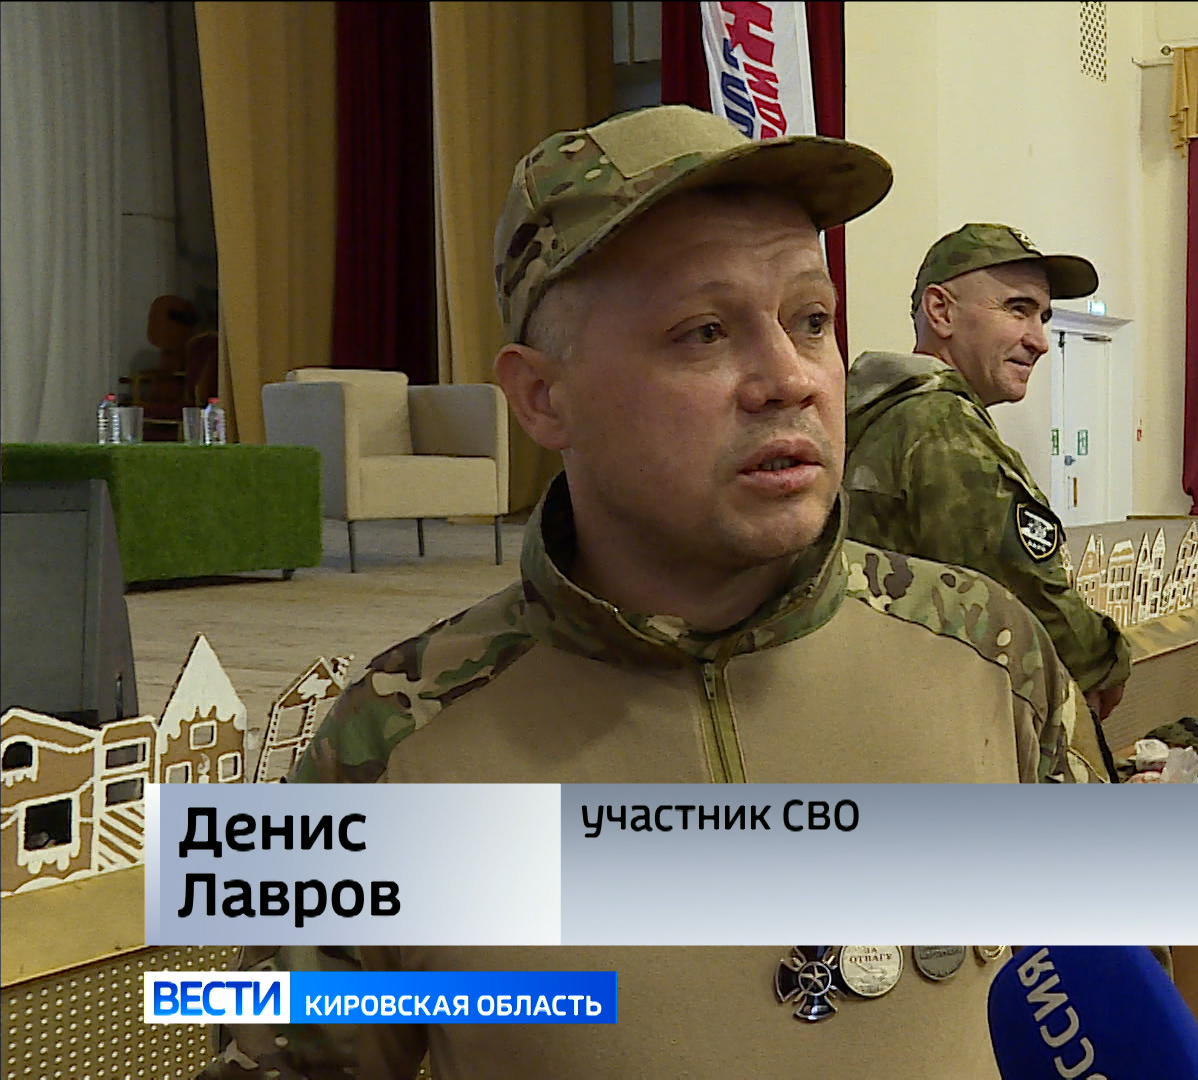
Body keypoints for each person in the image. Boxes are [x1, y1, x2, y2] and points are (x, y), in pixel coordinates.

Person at [199, 105, 1084, 1080]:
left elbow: (1114, 1014)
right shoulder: (394, 743)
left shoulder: (988, 657)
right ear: (543, 397)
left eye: (812, 321)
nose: (789, 378)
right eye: (705, 332)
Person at [841, 224, 1131, 730]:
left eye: (1043, 317)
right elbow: (1021, 585)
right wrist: (1103, 659)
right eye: (1017, 309)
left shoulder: (879, 414)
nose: (1040, 341)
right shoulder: (940, 425)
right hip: (937, 721)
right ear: (941, 311)